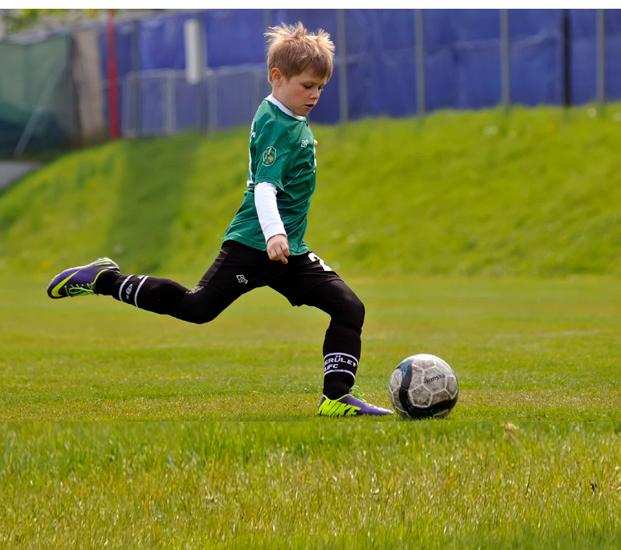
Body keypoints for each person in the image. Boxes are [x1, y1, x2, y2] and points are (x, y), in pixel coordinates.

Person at [46, 22, 392, 417]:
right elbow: (264, 188)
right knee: (197, 308)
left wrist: (284, 240)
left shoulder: (285, 113)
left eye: (319, 87)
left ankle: (336, 398)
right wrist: (274, 233)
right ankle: (104, 279)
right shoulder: (278, 126)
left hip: (289, 251)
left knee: (349, 306)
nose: (314, 95)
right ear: (277, 78)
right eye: (307, 85)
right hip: (255, 243)